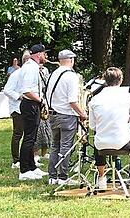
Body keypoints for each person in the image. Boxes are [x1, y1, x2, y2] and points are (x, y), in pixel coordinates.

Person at [46, 50, 86, 184]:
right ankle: (62, 177)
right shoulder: (71, 76)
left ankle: (52, 176)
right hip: (67, 115)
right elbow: (72, 101)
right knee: (66, 147)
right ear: (71, 60)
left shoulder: (53, 74)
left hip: (53, 114)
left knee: (55, 146)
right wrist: (82, 113)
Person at [13, 44, 47, 180]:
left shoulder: (32, 67)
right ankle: (24, 170)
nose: (46, 57)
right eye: (44, 54)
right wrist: (40, 100)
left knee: (32, 137)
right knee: (29, 138)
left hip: (32, 104)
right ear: (38, 54)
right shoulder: (30, 68)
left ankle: (32, 166)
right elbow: (26, 90)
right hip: (30, 104)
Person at [2, 53, 27, 170]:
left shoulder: (28, 74)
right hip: (17, 108)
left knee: (29, 135)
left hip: (27, 108)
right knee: (18, 134)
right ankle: (16, 160)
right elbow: (6, 90)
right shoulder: (16, 74)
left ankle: (27, 158)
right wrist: (19, 96)